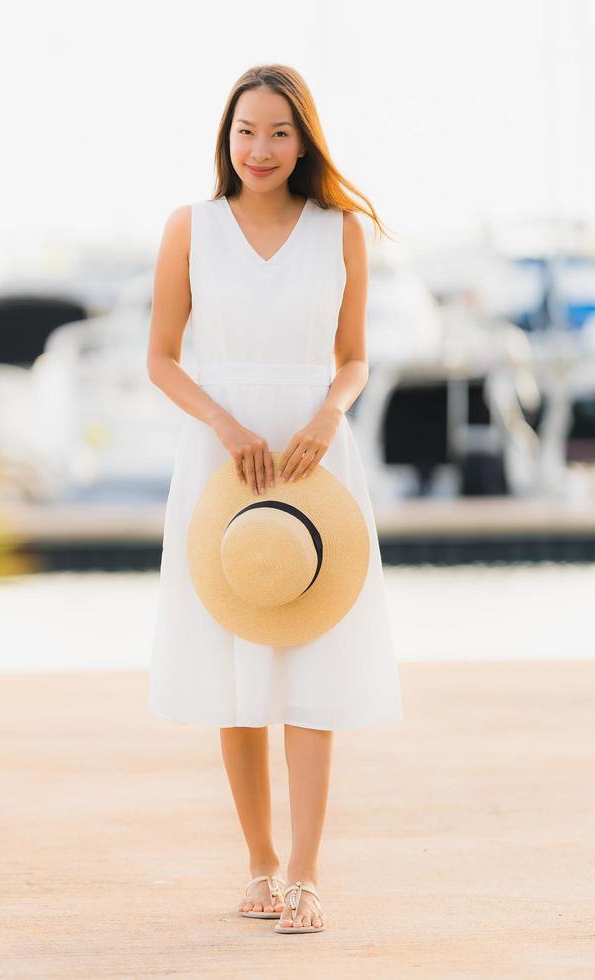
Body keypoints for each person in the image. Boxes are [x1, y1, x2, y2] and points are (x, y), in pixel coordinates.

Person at [144, 64, 403, 935]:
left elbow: (355, 356)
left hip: (312, 455)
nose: (260, 149)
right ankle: (257, 864)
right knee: (237, 666)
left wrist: (332, 412)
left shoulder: (341, 230)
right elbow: (161, 358)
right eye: (246, 131)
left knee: (313, 663)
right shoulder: (191, 228)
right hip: (224, 460)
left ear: (306, 141)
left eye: (279, 132)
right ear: (226, 136)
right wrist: (224, 424)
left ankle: (306, 875)